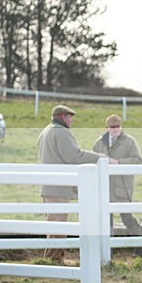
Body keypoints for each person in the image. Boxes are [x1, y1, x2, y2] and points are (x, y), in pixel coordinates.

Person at [37, 105, 106, 262]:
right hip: (59, 187)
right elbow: (75, 156)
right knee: (59, 224)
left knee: (52, 224)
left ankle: (52, 259)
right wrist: (98, 157)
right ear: (62, 117)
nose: (71, 120)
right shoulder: (61, 133)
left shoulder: (45, 131)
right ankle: (54, 260)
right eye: (69, 117)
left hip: (48, 186)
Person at [92, 114, 142, 237]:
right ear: (107, 127)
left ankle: (140, 244)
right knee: (106, 220)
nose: (116, 129)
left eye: (118, 126)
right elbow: (92, 161)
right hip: (103, 188)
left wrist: (118, 162)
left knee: (127, 219)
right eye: (112, 127)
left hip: (122, 188)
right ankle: (108, 249)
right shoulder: (99, 143)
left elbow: (138, 160)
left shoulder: (130, 142)